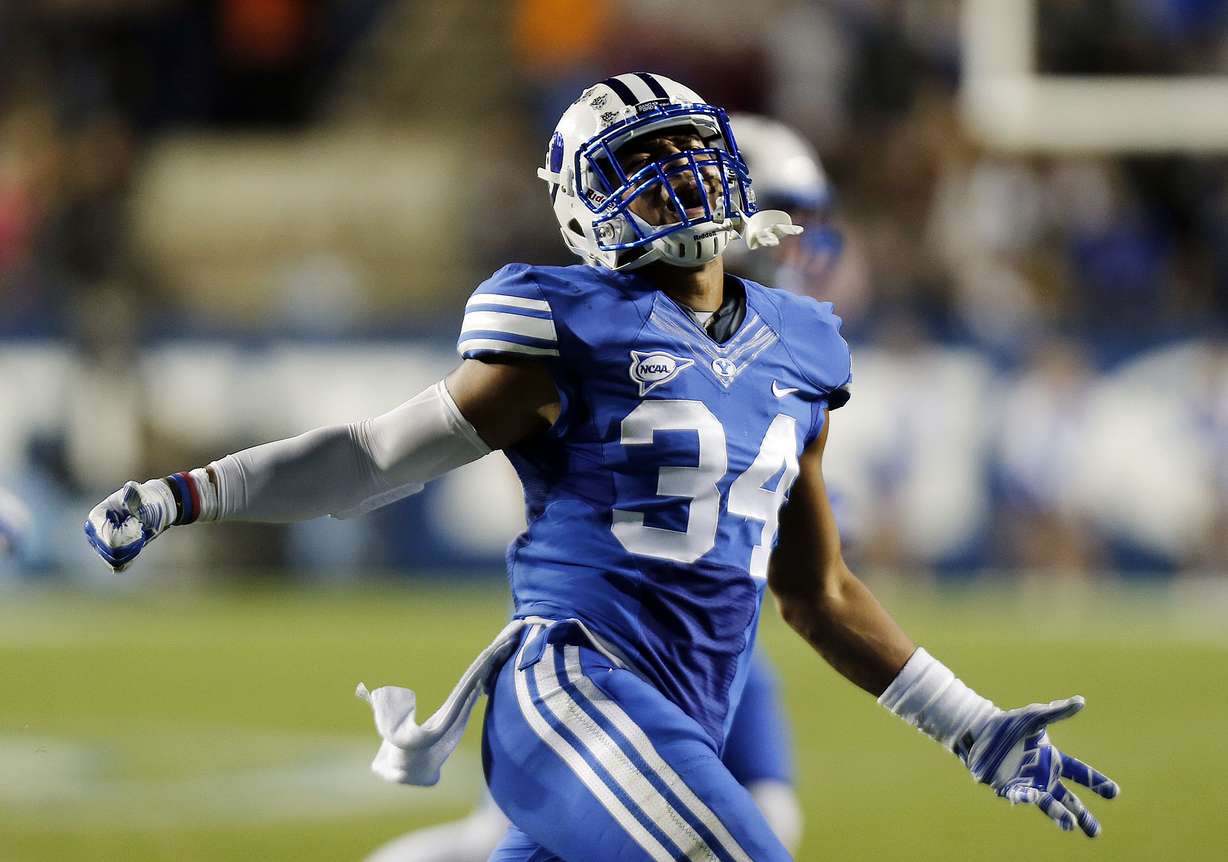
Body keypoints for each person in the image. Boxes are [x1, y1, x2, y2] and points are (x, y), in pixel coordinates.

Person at [86, 73, 1117, 860]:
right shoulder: (562, 320)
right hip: (573, 692)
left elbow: (818, 591)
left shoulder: (805, 343)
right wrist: (191, 493)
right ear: (584, 203)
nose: (674, 175)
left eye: (685, 148)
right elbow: (370, 457)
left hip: (686, 715)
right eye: (640, 162)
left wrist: (970, 725)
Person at [364, 113, 823, 862]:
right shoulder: (605, 327)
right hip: (612, 649)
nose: (790, 238)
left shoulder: (764, 340)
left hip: (707, 640)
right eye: (784, 212)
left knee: (759, 821)